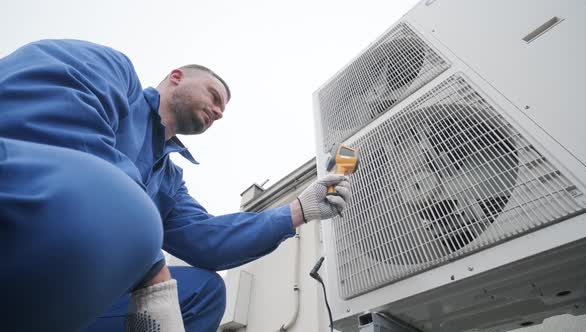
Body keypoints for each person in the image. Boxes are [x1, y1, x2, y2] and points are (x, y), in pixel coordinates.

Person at [0, 39, 351, 332]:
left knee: (204, 292)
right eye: (214, 96)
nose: (219, 111)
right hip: (16, 236)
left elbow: (208, 240)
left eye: (223, 109)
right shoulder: (112, 72)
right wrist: (152, 270)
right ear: (176, 77)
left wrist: (298, 211)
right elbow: (48, 131)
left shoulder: (168, 179)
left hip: (65, 298)